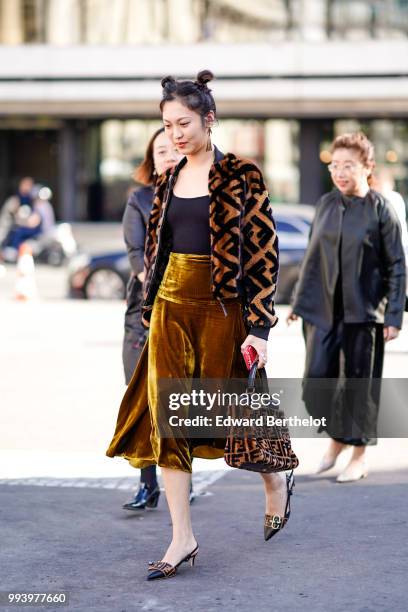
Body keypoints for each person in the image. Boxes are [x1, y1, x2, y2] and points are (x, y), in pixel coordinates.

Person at [106, 69, 295, 580]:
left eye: (184, 122)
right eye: (168, 125)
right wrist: (150, 310)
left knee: (239, 410)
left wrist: (260, 327)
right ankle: (181, 537)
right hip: (170, 308)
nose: (176, 133)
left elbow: (263, 254)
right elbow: (156, 250)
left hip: (224, 309)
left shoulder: (243, 176)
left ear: (209, 119)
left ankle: (275, 479)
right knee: (169, 422)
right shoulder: (165, 181)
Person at [287, 132, 406, 483]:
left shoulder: (381, 209)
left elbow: (397, 265)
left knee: (358, 385)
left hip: (364, 313)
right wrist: (298, 302)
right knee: (317, 384)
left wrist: (393, 315)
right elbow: (311, 256)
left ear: (367, 167)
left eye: (348, 166)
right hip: (323, 311)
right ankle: (338, 439)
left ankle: (358, 454)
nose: (339, 172)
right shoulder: (325, 204)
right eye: (334, 165)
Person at [121, 127, 184, 511]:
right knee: (141, 398)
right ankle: (147, 483)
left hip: (188, 312)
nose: (168, 155)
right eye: (160, 151)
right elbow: (137, 258)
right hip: (145, 314)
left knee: (180, 401)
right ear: (152, 159)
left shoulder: (198, 196)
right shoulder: (140, 199)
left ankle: (181, 478)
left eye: (173, 148)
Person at [0, 177, 35, 260]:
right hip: (7, 225)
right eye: (26, 185)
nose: (27, 188)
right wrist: (27, 222)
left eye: (30, 186)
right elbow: (14, 216)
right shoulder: (15, 199)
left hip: (21, 226)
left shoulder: (30, 200)